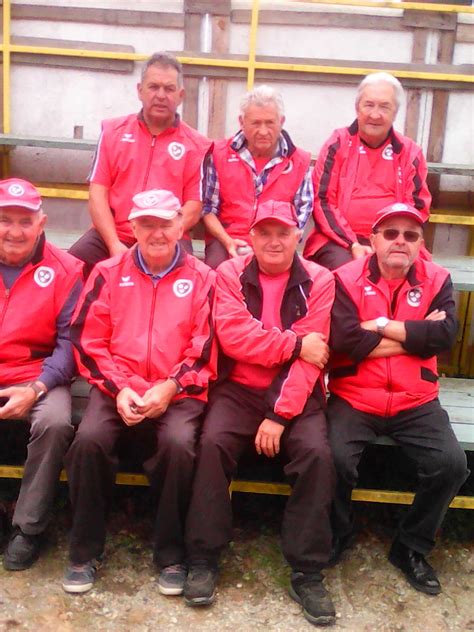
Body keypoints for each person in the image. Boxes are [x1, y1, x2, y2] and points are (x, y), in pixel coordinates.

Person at [184, 200, 337, 627]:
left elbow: (315, 354)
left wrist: (280, 414)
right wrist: (291, 343)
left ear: (298, 237)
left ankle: (307, 570)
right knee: (212, 443)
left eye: (283, 232)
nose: (274, 241)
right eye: (264, 232)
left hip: (296, 396)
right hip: (238, 389)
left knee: (317, 456)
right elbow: (234, 338)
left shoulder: (321, 279)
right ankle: (203, 557)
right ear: (249, 238)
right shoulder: (229, 274)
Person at [62, 189, 216, 595]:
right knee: (88, 440)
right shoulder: (108, 272)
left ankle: (171, 554)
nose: (157, 233)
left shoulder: (204, 278)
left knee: (180, 444)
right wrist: (120, 389)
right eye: (146, 224)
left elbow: (206, 347)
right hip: (119, 386)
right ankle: (84, 550)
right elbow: (86, 340)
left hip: (178, 391)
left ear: (181, 226)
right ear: (132, 228)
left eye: (165, 223)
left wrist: (169, 387)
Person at [327, 202, 469, 595]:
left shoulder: (437, 277)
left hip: (415, 397)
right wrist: (415, 338)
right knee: (333, 458)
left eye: (410, 235)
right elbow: (343, 341)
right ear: (372, 240)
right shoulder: (344, 277)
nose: (400, 241)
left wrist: (382, 326)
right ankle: (340, 531)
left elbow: (443, 338)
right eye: (390, 233)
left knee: (451, 465)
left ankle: (410, 547)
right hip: (354, 394)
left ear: (420, 243)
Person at [0, 178, 83, 570]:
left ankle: (28, 529)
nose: (14, 230)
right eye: (4, 219)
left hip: (39, 372)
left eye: (24, 220)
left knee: (54, 422)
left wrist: (34, 390)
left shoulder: (68, 269)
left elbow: (70, 343)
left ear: (42, 222)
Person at [69, 51, 212, 276]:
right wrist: (114, 244)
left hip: (168, 238)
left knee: (191, 278)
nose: (161, 95)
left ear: (181, 95)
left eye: (169, 89)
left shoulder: (197, 145)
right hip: (115, 233)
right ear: (140, 91)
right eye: (153, 87)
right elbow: (98, 195)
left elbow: (193, 208)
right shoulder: (112, 132)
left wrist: (158, 236)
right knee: (71, 266)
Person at [304, 72, 431, 270]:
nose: (375, 114)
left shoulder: (410, 153)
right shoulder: (337, 144)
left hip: (393, 240)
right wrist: (352, 243)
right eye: (369, 105)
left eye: (384, 107)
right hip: (338, 242)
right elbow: (323, 201)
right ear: (357, 108)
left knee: (425, 276)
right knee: (348, 273)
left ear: (395, 112)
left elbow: (417, 207)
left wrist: (385, 243)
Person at [202, 85, 313, 268]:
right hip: (227, 239)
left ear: (281, 121)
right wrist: (227, 240)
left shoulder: (300, 161)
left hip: (276, 244)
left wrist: (273, 245)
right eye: (255, 123)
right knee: (216, 272)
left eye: (270, 123)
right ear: (242, 122)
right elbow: (207, 209)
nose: (263, 131)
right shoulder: (219, 154)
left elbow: (301, 216)